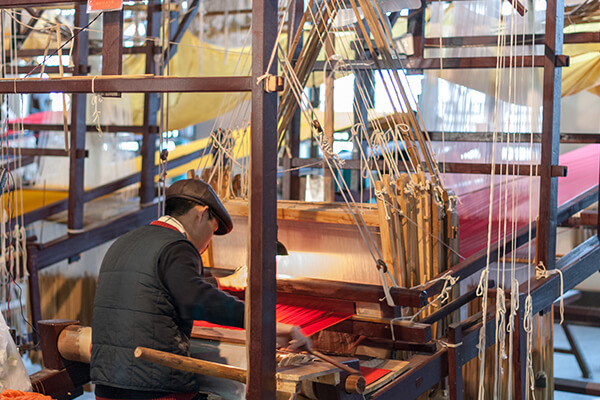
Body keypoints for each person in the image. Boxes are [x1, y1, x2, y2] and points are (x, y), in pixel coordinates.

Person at [91, 178, 310, 400]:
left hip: (106, 386)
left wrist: (224, 281)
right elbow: (195, 299)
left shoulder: (124, 242)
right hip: (155, 388)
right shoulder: (178, 246)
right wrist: (267, 324)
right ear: (201, 213)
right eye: (213, 230)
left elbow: (159, 288)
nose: (207, 244)